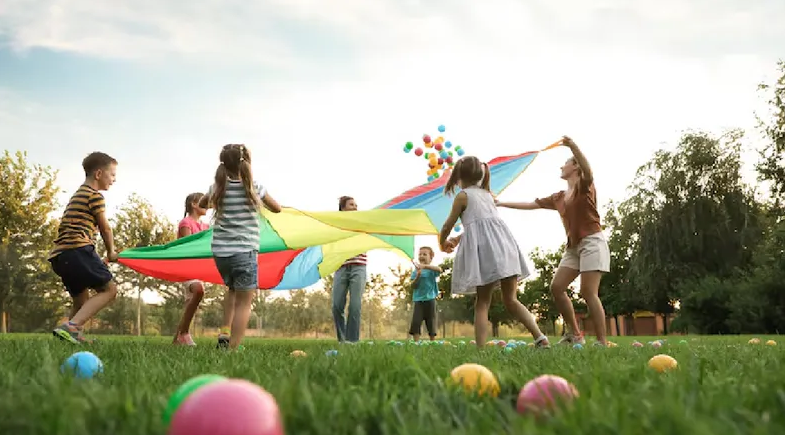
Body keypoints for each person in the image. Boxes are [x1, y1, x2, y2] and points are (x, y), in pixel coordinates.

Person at [496, 136, 610, 346]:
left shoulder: (585, 186)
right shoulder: (558, 196)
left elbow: (588, 170)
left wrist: (573, 146)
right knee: (557, 287)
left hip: (592, 242)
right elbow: (532, 204)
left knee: (588, 291)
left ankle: (602, 341)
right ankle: (575, 334)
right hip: (573, 247)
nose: (561, 166)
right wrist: (501, 203)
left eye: (565, 163)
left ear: (574, 167)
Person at [439, 156, 550, 349]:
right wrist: (459, 239)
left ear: (459, 176)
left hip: (487, 255)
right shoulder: (488, 195)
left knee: (482, 302)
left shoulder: (463, 196)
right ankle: (540, 338)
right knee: (511, 300)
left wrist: (442, 242)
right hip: (505, 249)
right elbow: (481, 226)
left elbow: (449, 224)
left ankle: (481, 349)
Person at [198, 144, 282, 350]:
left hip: (221, 254)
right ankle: (232, 349)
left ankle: (224, 335)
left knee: (233, 291)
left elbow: (202, 203)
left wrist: (217, 198)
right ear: (246, 163)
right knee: (245, 303)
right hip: (244, 252)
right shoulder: (254, 187)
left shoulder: (218, 187)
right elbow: (277, 208)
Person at [50, 152, 120, 344]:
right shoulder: (94, 196)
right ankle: (71, 327)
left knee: (81, 301)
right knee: (110, 290)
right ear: (98, 174)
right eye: (112, 174)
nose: (114, 179)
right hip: (77, 250)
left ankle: (70, 336)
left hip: (61, 255)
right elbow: (105, 227)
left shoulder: (78, 194)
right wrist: (111, 252)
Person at [172, 192, 209, 346]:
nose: (207, 204)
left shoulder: (206, 226)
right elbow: (188, 247)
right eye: (203, 202)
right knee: (198, 291)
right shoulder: (185, 223)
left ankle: (177, 340)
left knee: (190, 303)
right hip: (186, 267)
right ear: (194, 204)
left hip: (198, 269)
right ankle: (185, 333)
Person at [331, 196, 367, 343]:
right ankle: (342, 340)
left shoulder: (363, 223)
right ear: (343, 208)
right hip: (341, 267)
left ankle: (352, 342)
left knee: (355, 306)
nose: (355, 207)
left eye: (356, 205)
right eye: (351, 205)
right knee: (336, 305)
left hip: (359, 267)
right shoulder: (336, 226)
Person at [409, 246, 441, 342]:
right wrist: (418, 276)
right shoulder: (415, 272)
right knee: (416, 321)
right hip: (418, 300)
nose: (421, 256)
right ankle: (416, 342)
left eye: (424, 254)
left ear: (431, 258)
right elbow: (413, 286)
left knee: (431, 321)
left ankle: (432, 341)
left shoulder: (432, 270)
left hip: (430, 300)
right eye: (420, 254)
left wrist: (425, 267)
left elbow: (439, 270)